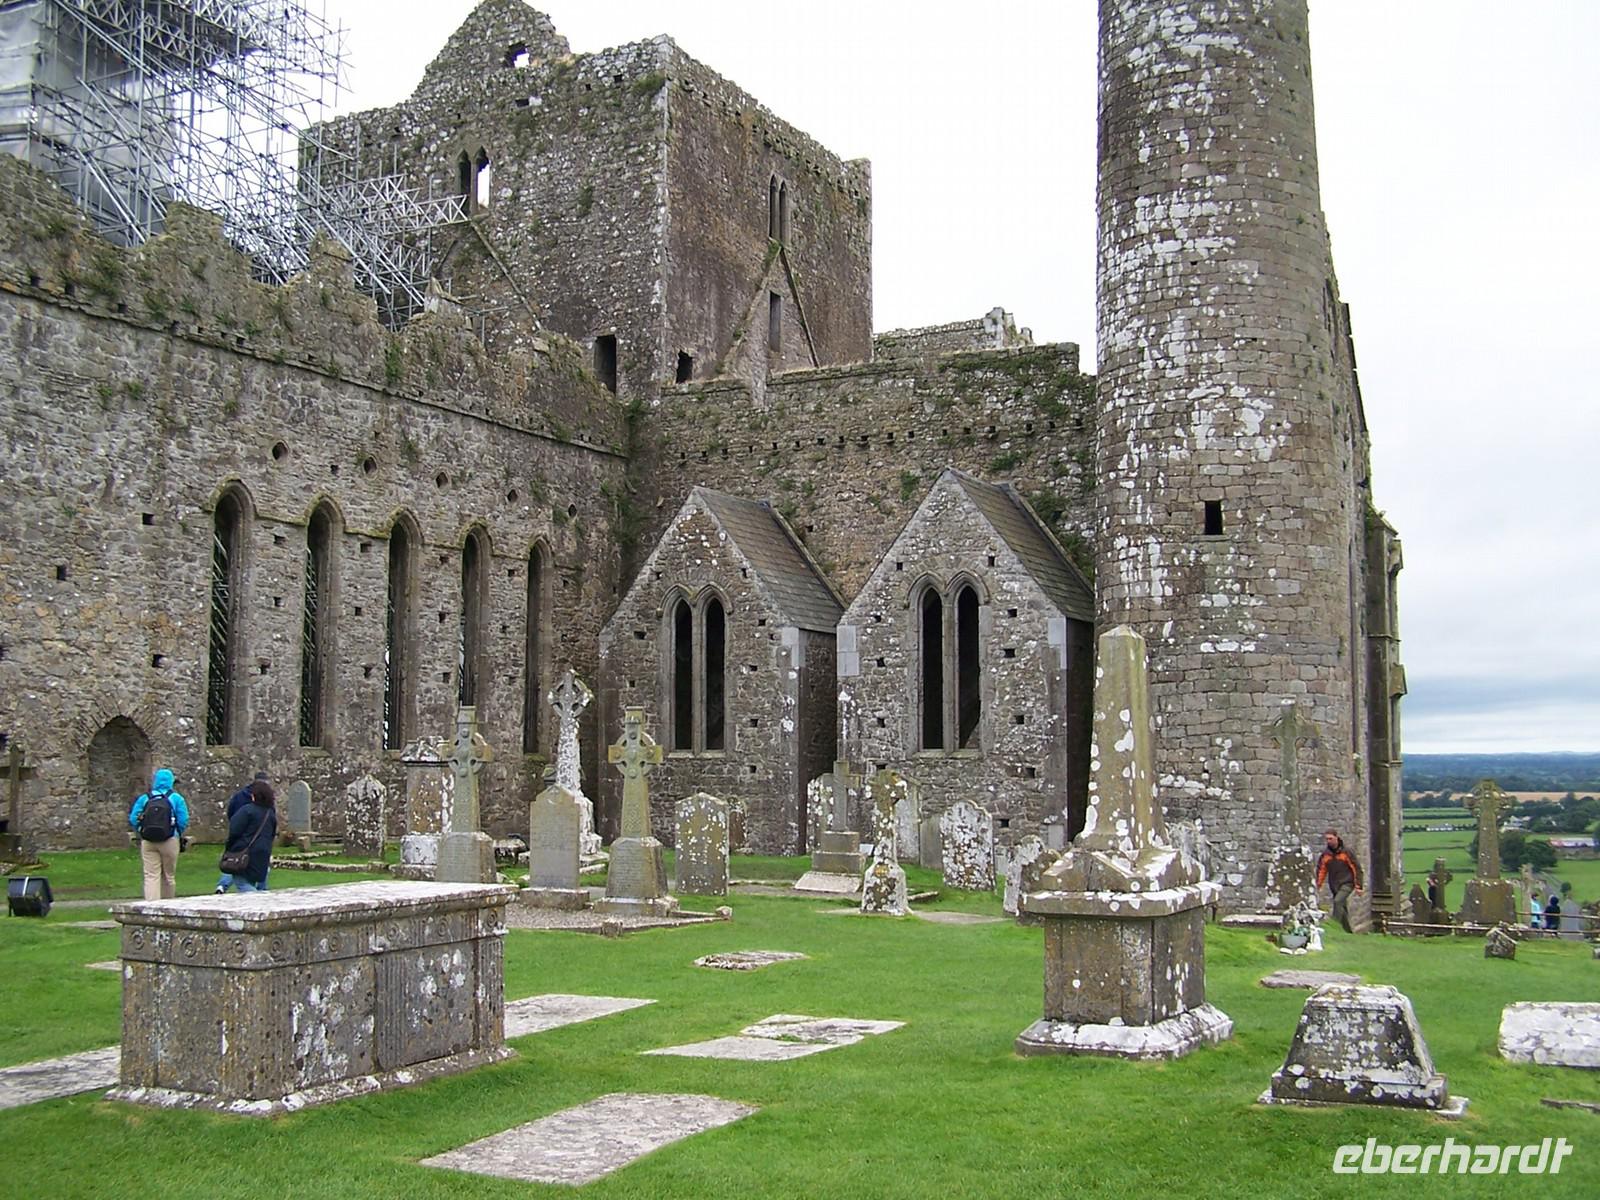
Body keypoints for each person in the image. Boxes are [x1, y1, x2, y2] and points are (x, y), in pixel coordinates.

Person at [129, 768, 190, 900]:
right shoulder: (175, 798)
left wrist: (140, 830)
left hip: (149, 840)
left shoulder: (145, 798)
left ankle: (151, 906)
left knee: (151, 875)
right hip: (170, 839)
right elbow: (183, 820)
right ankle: (167, 906)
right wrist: (177, 832)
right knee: (168, 875)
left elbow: (134, 818)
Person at [215, 771, 271, 893]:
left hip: (244, 845)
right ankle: (262, 893)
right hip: (262, 848)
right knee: (255, 875)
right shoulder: (269, 812)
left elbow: (234, 826)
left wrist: (231, 845)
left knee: (239, 876)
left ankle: (223, 886)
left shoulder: (243, 804)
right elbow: (271, 831)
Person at [224, 780, 278, 894]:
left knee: (242, 883)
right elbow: (272, 834)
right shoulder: (270, 813)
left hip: (245, 851)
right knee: (251, 882)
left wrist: (230, 846)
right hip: (263, 853)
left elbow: (234, 829)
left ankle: (263, 902)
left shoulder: (247, 810)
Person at [1314, 828, 1363, 933]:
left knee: (1337, 901)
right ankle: (1348, 932)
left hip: (1347, 883)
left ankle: (1334, 925)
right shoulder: (1326, 855)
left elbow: (1356, 868)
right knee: (1342, 907)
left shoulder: (1347, 852)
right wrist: (1317, 886)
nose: (1328, 841)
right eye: (1327, 839)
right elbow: (1321, 871)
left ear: (1336, 837)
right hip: (1334, 885)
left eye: (1330, 839)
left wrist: (1359, 886)